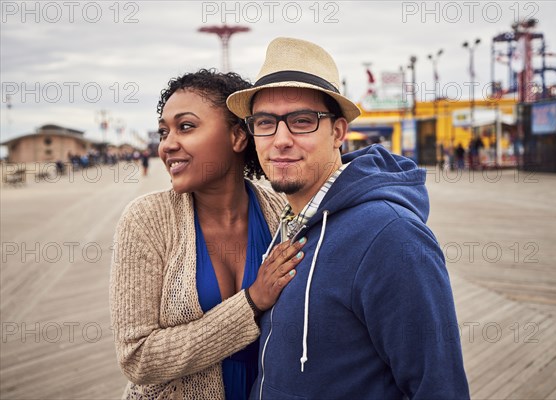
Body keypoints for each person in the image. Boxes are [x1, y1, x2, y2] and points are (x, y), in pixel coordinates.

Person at [227, 37, 470, 399]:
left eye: (302, 121)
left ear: (338, 132)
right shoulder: (292, 218)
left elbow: (437, 386)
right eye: (265, 122)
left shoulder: (391, 234)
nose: (280, 139)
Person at [110, 69, 307, 399]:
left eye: (185, 127)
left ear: (237, 137)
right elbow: (138, 358)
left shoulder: (282, 215)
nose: (167, 145)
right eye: (163, 132)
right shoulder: (147, 220)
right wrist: (252, 302)